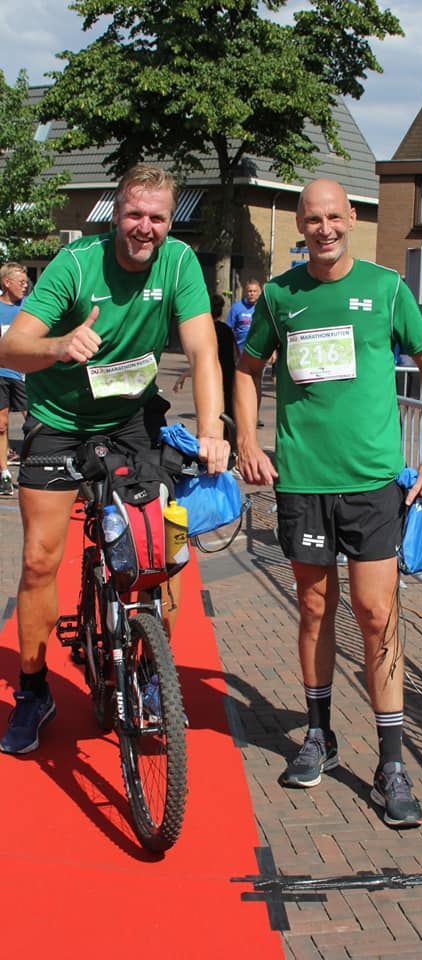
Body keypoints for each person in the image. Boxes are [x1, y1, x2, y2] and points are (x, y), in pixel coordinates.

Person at [234, 178, 422, 829]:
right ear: (301, 226)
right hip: (304, 482)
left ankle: (391, 764)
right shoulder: (280, 296)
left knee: (376, 613)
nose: (324, 228)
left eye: (333, 217)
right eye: (312, 219)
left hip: (372, 483)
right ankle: (319, 735)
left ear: (351, 218)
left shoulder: (386, 289)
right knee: (314, 608)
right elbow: (247, 368)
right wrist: (246, 439)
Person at [0, 163, 230, 755]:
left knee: (159, 551)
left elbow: (203, 350)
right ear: (115, 213)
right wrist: (59, 344)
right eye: (134, 214)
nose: (145, 227)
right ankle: (34, 691)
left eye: (157, 217)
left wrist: (212, 430)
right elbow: (11, 346)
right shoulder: (76, 265)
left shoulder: (179, 262)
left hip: (131, 418)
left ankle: (151, 673)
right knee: (39, 560)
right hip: (61, 421)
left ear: (169, 220)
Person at [174, 292, 236, 421]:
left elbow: (201, 358)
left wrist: (185, 374)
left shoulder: (205, 331)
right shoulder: (227, 330)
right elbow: (236, 354)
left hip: (211, 374)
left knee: (212, 409)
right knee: (228, 408)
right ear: (221, 311)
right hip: (228, 372)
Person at [0, 262, 29, 495]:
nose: (25, 286)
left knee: (33, 422)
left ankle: (32, 466)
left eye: (26, 282)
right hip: (1, 373)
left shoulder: (29, 307)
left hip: (24, 374)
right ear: (6, 283)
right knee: (1, 424)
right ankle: (4, 473)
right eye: (21, 282)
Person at [226, 278, 266, 425]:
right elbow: (229, 329)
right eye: (249, 291)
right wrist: (233, 349)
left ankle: (255, 415)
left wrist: (273, 351)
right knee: (240, 385)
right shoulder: (236, 308)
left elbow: (270, 330)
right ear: (245, 292)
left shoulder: (263, 308)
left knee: (257, 383)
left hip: (259, 352)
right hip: (240, 353)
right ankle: (239, 415)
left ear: (259, 292)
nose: (251, 294)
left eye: (254, 291)